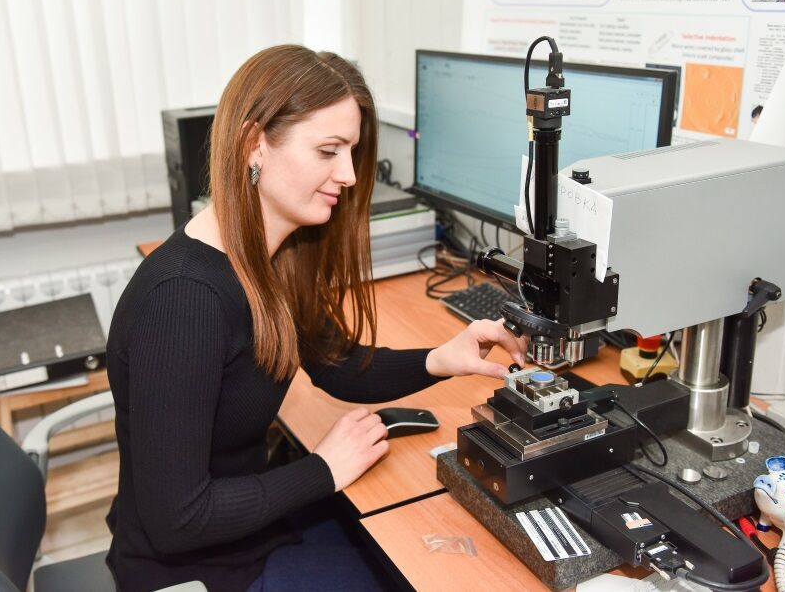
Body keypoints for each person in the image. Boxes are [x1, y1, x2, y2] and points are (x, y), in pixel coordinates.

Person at [104, 44, 527, 592]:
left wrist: (441, 358)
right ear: (254, 144)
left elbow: (335, 365)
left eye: (351, 151)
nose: (347, 174)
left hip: (245, 534)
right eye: (328, 151)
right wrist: (324, 468)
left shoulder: (269, 257)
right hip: (197, 572)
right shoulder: (185, 300)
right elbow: (178, 520)